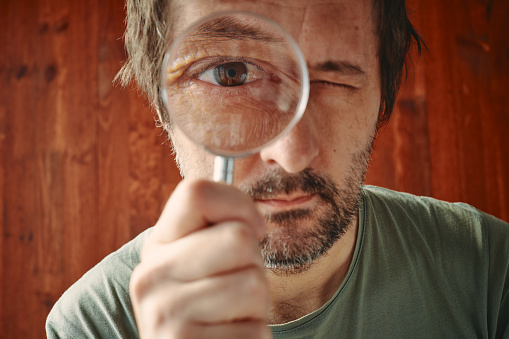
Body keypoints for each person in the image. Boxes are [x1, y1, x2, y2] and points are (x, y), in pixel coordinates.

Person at [46, 0, 509, 338]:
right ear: (162, 104)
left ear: (382, 98)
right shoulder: (93, 324)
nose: (291, 152)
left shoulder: (490, 271)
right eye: (231, 74)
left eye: (332, 79)